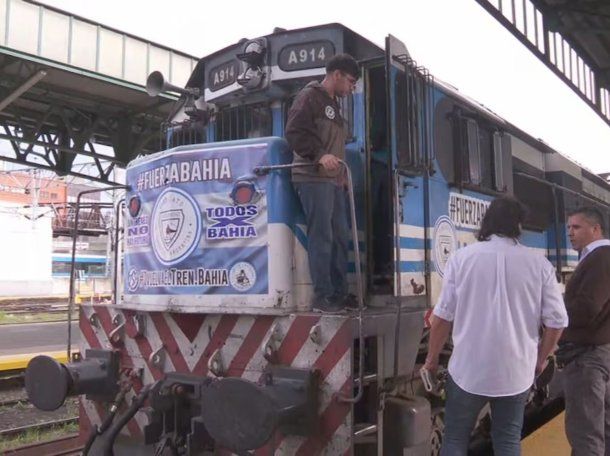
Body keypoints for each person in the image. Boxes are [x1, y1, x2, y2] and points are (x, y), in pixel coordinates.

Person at [422, 196, 568, 456]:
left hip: (467, 372)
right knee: (508, 440)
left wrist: (432, 360)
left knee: (455, 440)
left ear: (486, 221)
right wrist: (541, 359)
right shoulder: (539, 265)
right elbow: (557, 322)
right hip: (516, 373)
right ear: (519, 226)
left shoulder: (461, 259)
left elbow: (442, 317)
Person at [285, 54, 359, 313]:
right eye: (350, 81)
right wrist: (319, 156)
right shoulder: (309, 97)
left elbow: (333, 144)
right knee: (322, 236)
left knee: (340, 235)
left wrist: (341, 175)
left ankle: (339, 293)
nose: (352, 88)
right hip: (312, 177)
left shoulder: (334, 105)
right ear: (336, 74)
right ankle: (323, 297)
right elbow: (294, 131)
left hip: (332, 181)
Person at [560, 206, 610, 456]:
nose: (570, 232)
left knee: (585, 433)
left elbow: (588, 306)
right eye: (568, 227)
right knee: (602, 428)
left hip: (587, 358)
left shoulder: (599, 257)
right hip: (599, 352)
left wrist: (556, 315)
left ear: (596, 229)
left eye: (576, 227)